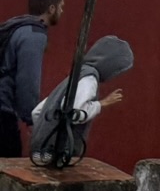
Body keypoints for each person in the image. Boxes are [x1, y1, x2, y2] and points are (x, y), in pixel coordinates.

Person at [29, 35, 131, 167]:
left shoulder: (77, 74)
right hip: (58, 151)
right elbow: (75, 113)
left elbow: (37, 112)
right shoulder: (89, 78)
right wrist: (102, 104)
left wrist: (43, 132)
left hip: (40, 147)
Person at [0, 0, 64, 157]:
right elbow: (28, 80)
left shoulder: (16, 26)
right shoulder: (34, 35)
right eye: (61, 7)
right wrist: (31, 118)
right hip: (3, 111)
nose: (61, 11)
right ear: (51, 9)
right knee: (9, 166)